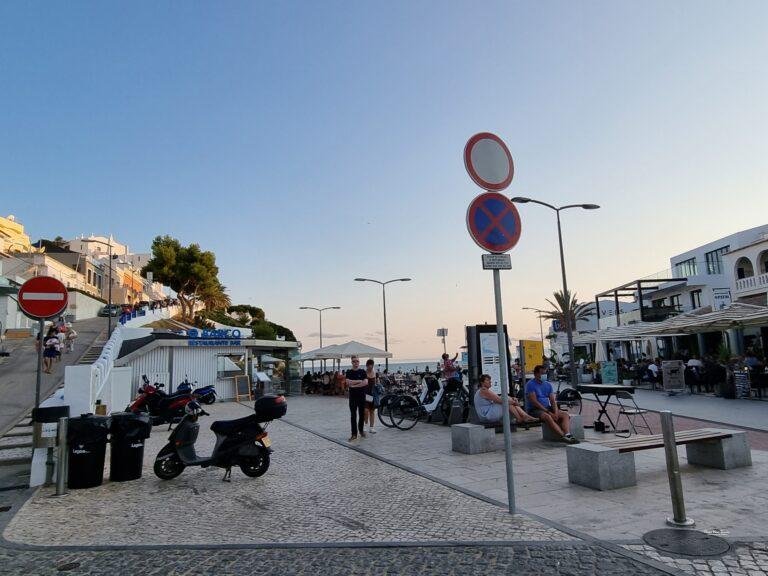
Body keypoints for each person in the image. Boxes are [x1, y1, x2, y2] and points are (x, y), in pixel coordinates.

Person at [525, 365, 579, 444]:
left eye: (545, 373)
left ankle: (568, 434)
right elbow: (534, 402)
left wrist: (556, 412)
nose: (544, 375)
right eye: (542, 373)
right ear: (536, 374)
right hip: (535, 409)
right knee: (548, 417)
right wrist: (549, 412)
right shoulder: (530, 384)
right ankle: (563, 436)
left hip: (547, 407)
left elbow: (553, 401)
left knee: (565, 415)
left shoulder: (548, 384)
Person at [346, 356, 368, 441]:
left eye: (357, 361)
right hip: (353, 397)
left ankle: (361, 430)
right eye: (354, 361)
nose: (356, 363)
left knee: (362, 414)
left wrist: (354, 386)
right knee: (353, 415)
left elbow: (365, 382)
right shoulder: (349, 372)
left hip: (361, 396)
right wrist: (359, 381)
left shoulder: (362, 371)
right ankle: (354, 434)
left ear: (359, 362)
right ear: (352, 362)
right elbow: (348, 382)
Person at [364, 359, 378, 434]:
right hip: (365, 394)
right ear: (367, 366)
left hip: (372, 394)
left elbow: (376, 384)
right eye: (369, 366)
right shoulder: (364, 373)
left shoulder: (375, 373)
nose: (370, 367)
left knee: (372, 411)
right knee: (366, 411)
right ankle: (365, 425)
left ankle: (371, 428)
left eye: (372, 365)